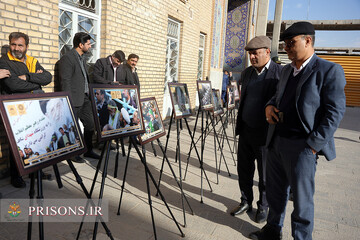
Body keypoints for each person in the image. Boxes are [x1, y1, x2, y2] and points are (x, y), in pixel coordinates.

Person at [249, 22, 346, 240]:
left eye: (291, 43)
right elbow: (277, 97)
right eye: (285, 44)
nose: (287, 48)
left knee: (302, 201)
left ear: (308, 41)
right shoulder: (286, 71)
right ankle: (273, 230)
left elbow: (335, 112)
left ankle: (301, 237)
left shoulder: (328, 70)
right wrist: (268, 106)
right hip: (277, 142)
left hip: (303, 147)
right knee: (275, 194)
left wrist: (313, 145)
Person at [230, 36, 282, 224]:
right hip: (246, 131)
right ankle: (245, 201)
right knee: (244, 169)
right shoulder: (246, 74)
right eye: (250, 54)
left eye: (256, 53)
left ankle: (263, 206)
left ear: (267, 52)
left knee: (265, 174)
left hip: (266, 135)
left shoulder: (279, 73)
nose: (252, 57)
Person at [0, 32, 52, 188]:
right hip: (16, 107)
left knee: (36, 138)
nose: (16, 48)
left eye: (20, 45)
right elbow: (13, 85)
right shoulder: (4, 61)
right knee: (17, 142)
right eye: (13, 44)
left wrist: (28, 77)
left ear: (26, 47)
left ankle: (36, 171)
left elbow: (48, 77)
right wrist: (36, 82)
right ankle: (16, 176)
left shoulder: (32, 61)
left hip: (34, 106)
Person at [58, 32, 100, 162]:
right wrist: (68, 101)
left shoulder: (82, 58)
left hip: (85, 98)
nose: (90, 45)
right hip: (74, 100)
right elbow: (65, 82)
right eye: (88, 43)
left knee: (90, 123)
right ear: (81, 45)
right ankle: (73, 153)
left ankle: (88, 150)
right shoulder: (68, 58)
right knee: (73, 128)